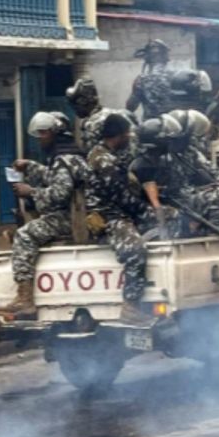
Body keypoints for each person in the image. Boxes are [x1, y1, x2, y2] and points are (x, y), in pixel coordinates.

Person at [0, 113, 89, 319]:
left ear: (54, 133)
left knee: (24, 235)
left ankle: (25, 299)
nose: (40, 139)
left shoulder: (63, 160)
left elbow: (59, 195)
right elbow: (53, 177)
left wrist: (30, 192)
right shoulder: (71, 155)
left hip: (72, 218)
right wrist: (30, 166)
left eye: (43, 134)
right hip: (79, 215)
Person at [86, 113, 155, 325]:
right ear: (119, 135)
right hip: (108, 217)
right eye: (127, 134)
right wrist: (149, 211)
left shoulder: (108, 155)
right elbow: (123, 198)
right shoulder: (103, 161)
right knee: (135, 250)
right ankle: (131, 306)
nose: (129, 137)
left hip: (116, 212)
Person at [126, 40, 175, 119]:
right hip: (174, 124)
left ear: (147, 58)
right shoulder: (175, 76)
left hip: (151, 125)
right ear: (166, 57)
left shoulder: (142, 80)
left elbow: (130, 107)